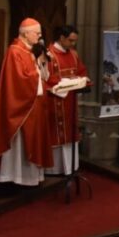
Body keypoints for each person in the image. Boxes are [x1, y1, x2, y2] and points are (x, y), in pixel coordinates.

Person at [0, 18, 54, 185]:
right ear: (25, 33)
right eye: (37, 33)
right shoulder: (15, 51)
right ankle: (17, 177)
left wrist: (42, 62)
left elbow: (42, 76)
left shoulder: (30, 50)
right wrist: (37, 67)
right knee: (21, 145)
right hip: (22, 107)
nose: (40, 36)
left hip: (34, 105)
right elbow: (19, 80)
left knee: (34, 141)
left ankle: (31, 177)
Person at [45, 25, 91, 174]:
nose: (73, 44)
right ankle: (53, 171)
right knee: (55, 136)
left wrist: (83, 80)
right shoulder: (48, 55)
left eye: (75, 41)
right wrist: (62, 83)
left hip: (70, 103)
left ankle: (70, 169)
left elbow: (81, 71)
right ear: (62, 38)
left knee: (70, 136)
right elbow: (45, 77)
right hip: (55, 103)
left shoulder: (73, 54)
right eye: (71, 41)